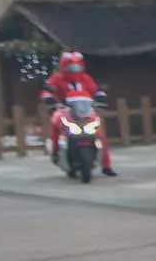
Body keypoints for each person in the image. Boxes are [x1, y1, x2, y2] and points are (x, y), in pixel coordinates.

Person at [41, 50, 118, 178]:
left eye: (77, 67)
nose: (74, 70)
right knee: (55, 122)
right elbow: (46, 91)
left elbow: (96, 90)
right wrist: (50, 100)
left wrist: (101, 98)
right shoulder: (57, 78)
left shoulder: (86, 78)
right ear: (63, 66)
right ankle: (55, 152)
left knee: (100, 135)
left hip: (86, 111)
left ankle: (106, 166)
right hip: (64, 110)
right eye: (70, 67)